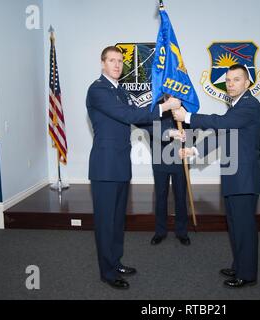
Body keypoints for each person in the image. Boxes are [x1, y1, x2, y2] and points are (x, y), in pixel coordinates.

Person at [86, 46, 180, 289]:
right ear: (102, 63)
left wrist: (167, 131)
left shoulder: (121, 91)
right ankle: (107, 273)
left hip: (120, 166)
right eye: (112, 61)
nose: (117, 65)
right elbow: (129, 115)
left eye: (120, 61)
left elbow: (139, 123)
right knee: (106, 222)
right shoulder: (98, 90)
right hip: (104, 168)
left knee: (118, 221)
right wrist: (165, 107)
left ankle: (115, 262)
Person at [173, 64, 260, 288]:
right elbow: (221, 136)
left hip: (244, 178)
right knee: (235, 226)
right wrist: (194, 151)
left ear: (247, 83)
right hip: (235, 176)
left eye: (236, 79)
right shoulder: (235, 106)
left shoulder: (250, 105)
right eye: (229, 80)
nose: (231, 84)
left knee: (244, 228)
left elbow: (222, 123)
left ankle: (248, 274)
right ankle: (239, 266)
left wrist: (188, 117)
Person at [139, 111, 190, 246]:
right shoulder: (156, 109)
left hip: (180, 158)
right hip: (159, 158)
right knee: (161, 197)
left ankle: (182, 232)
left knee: (180, 197)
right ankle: (160, 232)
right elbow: (145, 127)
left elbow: (192, 129)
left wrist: (188, 138)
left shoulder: (184, 108)